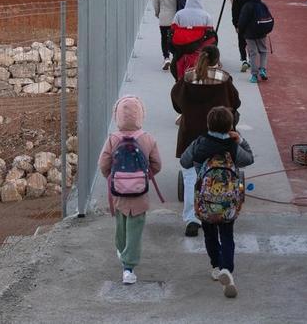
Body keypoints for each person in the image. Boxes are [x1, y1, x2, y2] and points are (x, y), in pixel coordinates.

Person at [180, 106, 254, 298]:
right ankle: (227, 268)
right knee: (227, 235)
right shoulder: (233, 146)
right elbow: (249, 159)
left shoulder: (200, 143)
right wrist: (240, 140)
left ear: (208, 124)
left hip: (206, 201)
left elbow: (184, 162)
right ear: (230, 126)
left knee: (210, 235)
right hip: (228, 203)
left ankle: (215, 266)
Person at [171, 46, 240, 237]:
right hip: (219, 136)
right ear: (217, 59)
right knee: (222, 172)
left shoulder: (187, 78)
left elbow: (176, 102)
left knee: (190, 177)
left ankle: (192, 219)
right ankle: (220, 212)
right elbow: (236, 103)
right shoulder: (224, 79)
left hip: (191, 136)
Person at [99, 95, 163, 286]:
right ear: (140, 115)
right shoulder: (147, 139)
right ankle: (128, 268)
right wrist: (144, 177)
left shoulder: (113, 139)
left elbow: (103, 165)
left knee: (121, 225)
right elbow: (157, 165)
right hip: (139, 194)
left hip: (119, 193)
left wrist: (113, 178)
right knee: (135, 230)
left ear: (117, 116)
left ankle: (121, 250)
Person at [169, 0, 217, 79]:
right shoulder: (206, 16)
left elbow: (172, 33)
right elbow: (210, 38)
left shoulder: (179, 14)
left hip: (181, 53)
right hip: (199, 55)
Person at [236, 0, 273, 83]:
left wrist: (240, 30)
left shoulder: (247, 6)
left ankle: (254, 75)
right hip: (262, 33)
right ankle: (263, 69)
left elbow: (242, 21)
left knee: (253, 53)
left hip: (250, 34)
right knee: (263, 51)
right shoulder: (263, 5)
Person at [152, 0, 185, 71]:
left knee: (164, 38)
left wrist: (157, 13)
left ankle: (166, 58)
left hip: (164, 18)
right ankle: (175, 58)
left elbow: (155, 1)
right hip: (176, 20)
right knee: (176, 39)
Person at [229, 0, 252, 73]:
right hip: (252, 24)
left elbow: (234, 12)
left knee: (242, 43)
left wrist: (235, 25)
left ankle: (244, 60)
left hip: (241, 24)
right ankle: (252, 60)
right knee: (252, 43)